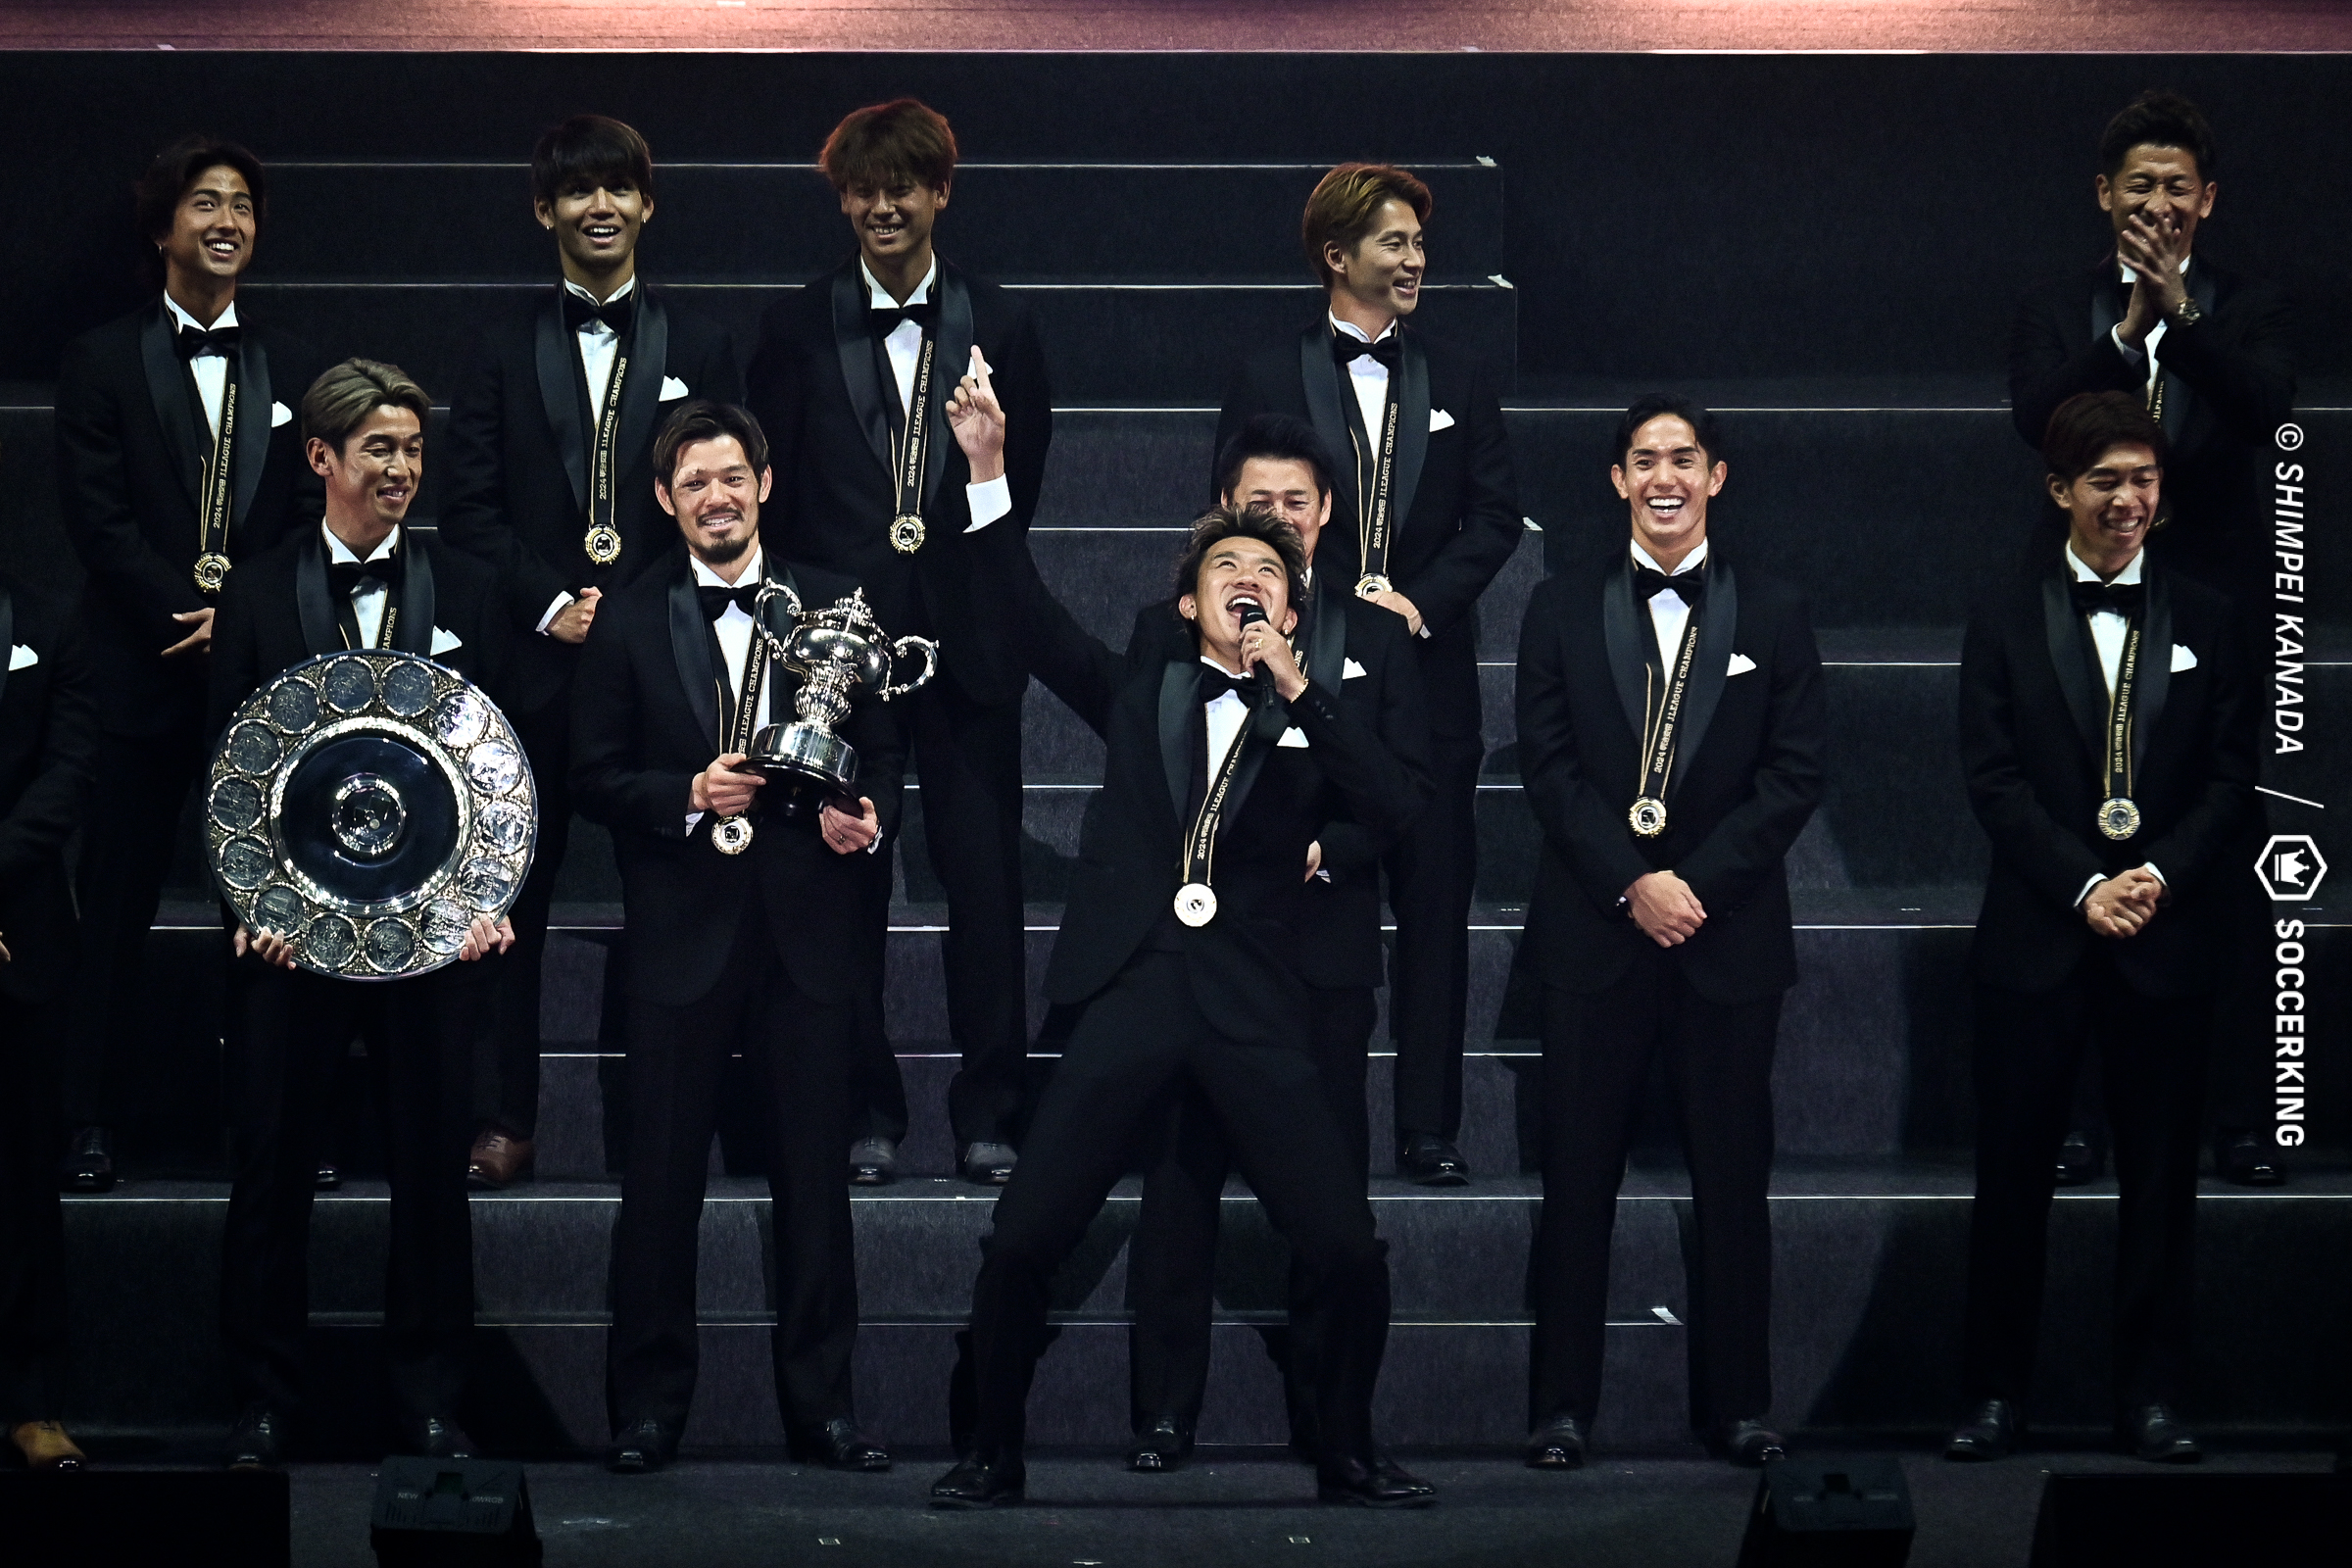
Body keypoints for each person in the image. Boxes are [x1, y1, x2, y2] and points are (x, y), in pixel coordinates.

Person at [931, 360, 1432, 1511]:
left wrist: (1300, 691)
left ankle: (1349, 1448)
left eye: (1269, 573)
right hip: (1137, 987)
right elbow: (1030, 617)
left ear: (1293, 608)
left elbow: (1397, 806)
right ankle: (991, 1447)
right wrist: (988, 471)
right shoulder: (1140, 692)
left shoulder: (1310, 708)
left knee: (1347, 1245)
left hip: (1257, 999)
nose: (1247, 582)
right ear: (1189, 604)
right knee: (1022, 1237)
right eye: (1225, 570)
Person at [571, 400, 901, 1476]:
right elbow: (592, 775)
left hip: (807, 936)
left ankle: (825, 1412)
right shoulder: (626, 617)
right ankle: (646, 1412)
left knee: (815, 1185)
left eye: (731, 477)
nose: (716, 498)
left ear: (763, 483)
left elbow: (883, 752)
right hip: (681, 937)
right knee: (660, 1188)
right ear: (664, 499)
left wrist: (866, 815)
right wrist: (686, 792)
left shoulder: (840, 605)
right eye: (693, 483)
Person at [208, 360, 515, 1468]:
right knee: (272, 1171)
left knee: (432, 1177)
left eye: (413, 449)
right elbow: (226, 773)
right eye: (380, 448)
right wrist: (249, 904)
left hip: (432, 940)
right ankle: (262, 1400)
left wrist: (485, 903)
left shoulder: (469, 587)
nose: (402, 468)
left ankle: (431, 1400)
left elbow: (501, 767)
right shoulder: (254, 593)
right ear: (320, 458)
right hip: (290, 936)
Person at [746, 99, 1053, 1187]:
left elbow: (1017, 495)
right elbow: (776, 497)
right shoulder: (794, 326)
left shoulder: (1002, 322)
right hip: (843, 656)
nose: (884, 207)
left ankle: (992, 1113)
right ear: (842, 200)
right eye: (865, 191)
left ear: (940, 193)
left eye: (904, 188)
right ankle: (863, 1111)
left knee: (987, 891)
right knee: (846, 887)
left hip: (970, 643)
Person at [1944, 391, 2254, 1467]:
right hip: (2038, 938)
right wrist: (2086, 884)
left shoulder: (2211, 616)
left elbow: (2233, 779)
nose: (2128, 500)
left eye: (2144, 480)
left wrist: (2153, 875)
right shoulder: (2002, 613)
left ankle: (2152, 1398)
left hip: (2166, 941)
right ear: (2059, 490)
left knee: (2162, 1186)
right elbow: (1992, 780)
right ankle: (1992, 1395)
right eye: (2106, 481)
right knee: (2010, 1181)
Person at [1515, 396, 1824, 1471]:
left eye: (1683, 458)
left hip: (1726, 939)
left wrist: (1691, 885)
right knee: (1576, 1184)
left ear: (1715, 476)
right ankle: (1560, 1408)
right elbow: (1549, 769)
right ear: (1617, 481)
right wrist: (1633, 884)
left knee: (1733, 1187)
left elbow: (1793, 774)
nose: (1664, 477)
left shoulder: (1775, 609)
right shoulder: (1557, 605)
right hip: (1594, 937)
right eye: (1644, 459)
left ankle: (1738, 1408)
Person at [440, 114, 743, 1191]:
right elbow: (468, 513)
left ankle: (684, 1116)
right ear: (545, 211)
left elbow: (719, 503)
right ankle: (504, 1117)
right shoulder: (496, 347)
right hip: (534, 666)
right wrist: (551, 606)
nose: (599, 207)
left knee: (679, 894)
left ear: (647, 205)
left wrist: (627, 619)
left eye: (619, 188)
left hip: (663, 661)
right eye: (578, 191)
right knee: (510, 896)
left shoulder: (702, 342)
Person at [1123, 414, 1431, 1470]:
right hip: (1199, 963)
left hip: (1319, 956)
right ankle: (1164, 1413)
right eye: (1258, 505)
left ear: (1327, 514)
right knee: (1179, 1185)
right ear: (1224, 514)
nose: (1278, 520)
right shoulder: (1169, 634)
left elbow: (1405, 792)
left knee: (1328, 1199)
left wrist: (1326, 849)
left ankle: (1330, 1421)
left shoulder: (1376, 636)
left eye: (1296, 503)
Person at [2007, 89, 2295, 1189]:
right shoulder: (2059, 307)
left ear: (2207, 200)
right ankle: (2077, 1117)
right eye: (2141, 185)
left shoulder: (2250, 305)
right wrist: (2129, 333)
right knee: (2085, 850)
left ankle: (2243, 1116)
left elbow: (2266, 410)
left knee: (2223, 856)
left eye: (2179, 186)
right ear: (2104, 195)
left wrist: (2185, 316)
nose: (2160, 202)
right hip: (2081, 598)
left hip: (2211, 610)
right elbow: (2035, 416)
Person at [1215, 164, 1520, 1186]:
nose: (1416, 260)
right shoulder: (1267, 372)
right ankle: (1290, 1120)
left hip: (1429, 682)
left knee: (1435, 910)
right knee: (1306, 907)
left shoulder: (1461, 375)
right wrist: (1322, 613)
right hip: (1305, 681)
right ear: (1336, 255)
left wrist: (1417, 602)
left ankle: (1429, 1128)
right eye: (1395, 243)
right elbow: (1237, 522)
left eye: (1420, 244)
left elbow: (1495, 517)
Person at [51, 134, 322, 1193]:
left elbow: (303, 512)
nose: (227, 221)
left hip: (251, 677)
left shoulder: (290, 363)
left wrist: (240, 617)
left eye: (242, 206)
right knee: (114, 904)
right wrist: (187, 610)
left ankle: (276, 1123)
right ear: (163, 226)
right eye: (206, 202)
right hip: (134, 669)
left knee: (267, 907)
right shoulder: (100, 358)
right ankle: (88, 1117)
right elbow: (98, 520)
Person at [0, 574, 99, 1470]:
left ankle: (30, 1401)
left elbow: (68, 774)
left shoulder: (46, 618)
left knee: (23, 1177)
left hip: (19, 933)